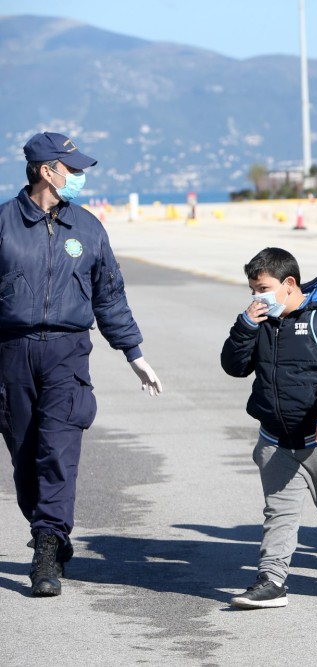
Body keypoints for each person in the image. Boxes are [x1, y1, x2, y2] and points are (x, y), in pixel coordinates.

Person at [0, 132, 162, 597]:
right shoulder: (5, 224)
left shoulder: (89, 229)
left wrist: (134, 353)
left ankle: (47, 549)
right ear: (46, 170)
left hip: (68, 355)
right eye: (71, 169)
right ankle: (48, 530)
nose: (79, 177)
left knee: (58, 452)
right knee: (24, 458)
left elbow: (110, 296)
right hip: (11, 352)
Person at [221, 248, 317, 608]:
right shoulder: (259, 322)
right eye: (252, 290)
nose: (257, 297)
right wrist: (246, 325)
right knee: (278, 511)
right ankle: (271, 580)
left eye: (263, 288)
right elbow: (234, 366)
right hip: (275, 439)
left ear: (288, 284)